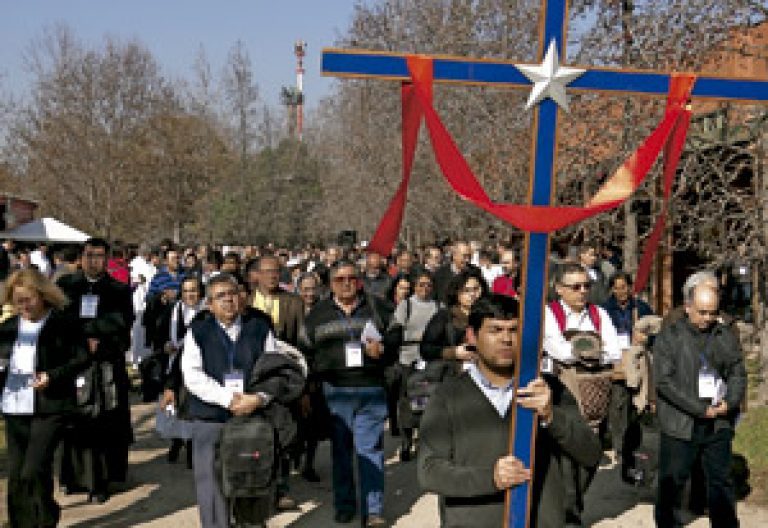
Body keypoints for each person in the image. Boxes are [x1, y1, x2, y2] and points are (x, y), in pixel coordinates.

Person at [417, 294, 602, 527]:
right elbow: (429, 471)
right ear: (472, 336)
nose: (506, 339)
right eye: (495, 330)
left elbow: (590, 453)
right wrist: (490, 477)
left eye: (514, 330)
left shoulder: (548, 389)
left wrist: (552, 417)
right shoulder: (448, 395)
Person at [181, 273, 278, 528]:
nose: (228, 301)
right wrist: (228, 399)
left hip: (252, 418)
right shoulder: (198, 331)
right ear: (209, 304)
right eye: (220, 297)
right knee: (211, 486)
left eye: (232, 294)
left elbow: (274, 370)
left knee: (251, 482)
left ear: (242, 297)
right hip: (210, 417)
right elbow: (192, 375)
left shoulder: (260, 328)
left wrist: (258, 398)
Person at [298, 260, 391, 527]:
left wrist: (383, 350)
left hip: (370, 389)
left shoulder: (377, 307)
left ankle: (373, 510)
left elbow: (396, 339)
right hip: (335, 392)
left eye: (352, 277)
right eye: (340, 279)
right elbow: (305, 352)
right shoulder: (318, 313)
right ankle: (344, 504)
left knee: (371, 449)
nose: (347, 283)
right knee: (341, 452)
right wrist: (307, 388)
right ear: (330, 284)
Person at [0, 268, 89, 527]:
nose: (24, 306)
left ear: (42, 296)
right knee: (16, 474)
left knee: (34, 469)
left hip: (50, 406)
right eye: (18, 300)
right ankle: (21, 523)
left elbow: (82, 357)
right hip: (14, 406)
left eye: (28, 299)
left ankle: (46, 517)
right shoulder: (7, 328)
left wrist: (53, 375)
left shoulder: (63, 323)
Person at [654, 283, 746, 527]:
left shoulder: (724, 336)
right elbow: (664, 382)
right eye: (702, 312)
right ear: (688, 307)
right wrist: (698, 408)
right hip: (681, 420)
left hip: (718, 418)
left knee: (721, 480)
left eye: (713, 312)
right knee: (672, 481)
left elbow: (738, 372)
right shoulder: (670, 337)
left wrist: (730, 401)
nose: (708, 318)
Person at [56, 238, 134, 503]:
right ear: (81, 257)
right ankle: (75, 478)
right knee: (75, 423)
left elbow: (124, 330)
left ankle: (101, 480)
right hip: (74, 365)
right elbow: (59, 325)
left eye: (100, 256)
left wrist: (102, 343)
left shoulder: (119, 290)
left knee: (105, 421)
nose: (94, 261)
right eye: (89, 255)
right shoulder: (66, 286)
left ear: (107, 259)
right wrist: (81, 344)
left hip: (106, 365)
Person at [542, 261, 620, 525]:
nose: (582, 291)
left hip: (596, 390)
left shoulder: (599, 314)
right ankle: (568, 511)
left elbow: (615, 350)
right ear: (559, 288)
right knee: (567, 451)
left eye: (587, 285)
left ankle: (574, 502)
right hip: (564, 388)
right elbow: (558, 349)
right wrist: (592, 349)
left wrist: (582, 350)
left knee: (592, 451)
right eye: (575, 286)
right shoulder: (549, 314)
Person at [387, 269, 439, 461]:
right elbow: (394, 330)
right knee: (407, 404)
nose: (425, 289)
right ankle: (406, 441)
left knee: (429, 404)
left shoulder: (437, 307)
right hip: (408, 360)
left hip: (431, 361)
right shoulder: (406, 306)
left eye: (428, 285)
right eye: (421, 285)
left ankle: (427, 441)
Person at [159, 276, 205, 468]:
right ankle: (177, 442)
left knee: (194, 409)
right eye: (186, 291)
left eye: (193, 290)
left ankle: (192, 449)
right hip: (174, 366)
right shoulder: (174, 311)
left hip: (199, 368)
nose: (190, 295)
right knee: (176, 407)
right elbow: (159, 334)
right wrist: (166, 346)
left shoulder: (207, 313)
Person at [420, 268, 487, 367]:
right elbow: (426, 349)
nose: (472, 294)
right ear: (457, 293)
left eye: (476, 289)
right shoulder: (444, 316)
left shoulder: (488, 316)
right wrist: (454, 353)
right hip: (450, 373)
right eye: (466, 290)